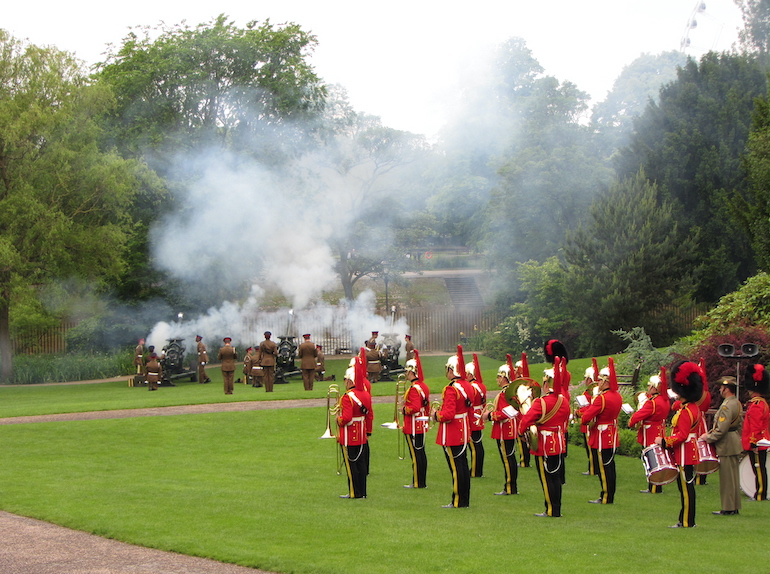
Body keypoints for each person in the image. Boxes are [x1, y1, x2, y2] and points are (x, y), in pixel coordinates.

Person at [518, 356, 571, 517]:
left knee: (546, 478)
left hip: (544, 443)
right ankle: (557, 508)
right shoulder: (564, 402)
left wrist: (521, 433)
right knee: (555, 477)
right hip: (558, 441)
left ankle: (550, 510)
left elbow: (526, 421)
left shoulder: (541, 402)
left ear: (547, 384)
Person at [655, 360, 703, 528]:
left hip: (684, 453)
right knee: (687, 488)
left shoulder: (685, 412)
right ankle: (686, 519)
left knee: (686, 490)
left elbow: (681, 436)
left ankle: (687, 521)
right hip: (690, 452)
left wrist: (664, 442)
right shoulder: (693, 408)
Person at [432, 346, 473, 508]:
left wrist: (435, 415)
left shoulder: (451, 389)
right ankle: (465, 499)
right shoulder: (467, 385)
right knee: (462, 465)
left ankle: (458, 501)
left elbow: (448, 415)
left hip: (453, 431)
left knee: (456, 468)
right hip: (464, 428)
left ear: (451, 370)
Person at [580, 359, 622, 504]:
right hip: (612, 433)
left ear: (605, 382)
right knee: (610, 466)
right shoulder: (617, 396)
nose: (597, 383)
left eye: (599, 380)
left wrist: (582, 417)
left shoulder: (601, 398)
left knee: (604, 468)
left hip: (601, 435)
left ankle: (606, 496)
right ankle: (610, 494)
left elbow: (587, 416)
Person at [700, 376, 743, 515]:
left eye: (721, 387)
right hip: (734, 441)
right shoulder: (736, 402)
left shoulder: (726, 405)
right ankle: (734, 506)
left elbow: (721, 428)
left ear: (726, 389)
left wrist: (709, 438)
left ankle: (728, 508)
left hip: (727, 444)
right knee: (734, 477)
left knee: (727, 479)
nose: (720, 389)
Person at [628, 369, 671, 493]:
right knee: (658, 458)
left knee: (652, 460)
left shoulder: (652, 403)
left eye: (649, 386)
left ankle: (653, 487)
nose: (648, 388)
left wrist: (631, 421)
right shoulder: (664, 400)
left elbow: (638, 415)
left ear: (654, 388)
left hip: (650, 431)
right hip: (660, 429)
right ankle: (658, 486)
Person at [337, 356, 373, 499]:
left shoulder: (348, 397)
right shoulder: (365, 395)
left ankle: (354, 492)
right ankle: (362, 491)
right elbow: (369, 415)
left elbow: (346, 418)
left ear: (350, 381)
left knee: (351, 466)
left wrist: (338, 420)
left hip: (349, 434)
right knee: (361, 464)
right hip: (362, 432)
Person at [485, 357, 520, 496]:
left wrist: (489, 416)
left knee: (508, 459)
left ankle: (510, 488)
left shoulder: (506, 393)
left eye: (499, 377)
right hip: (509, 428)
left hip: (506, 429)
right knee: (509, 458)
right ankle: (511, 487)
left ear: (505, 377)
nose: (497, 380)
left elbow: (505, 413)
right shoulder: (509, 391)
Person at [402, 350, 430, 489]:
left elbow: (414, 408)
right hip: (422, 423)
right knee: (421, 453)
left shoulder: (414, 389)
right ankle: (421, 481)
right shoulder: (422, 386)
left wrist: (403, 409)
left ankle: (418, 482)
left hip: (413, 424)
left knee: (416, 455)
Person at [742, 363, 770, 501]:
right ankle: (760, 492)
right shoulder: (761, 403)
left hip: (758, 443)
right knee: (759, 468)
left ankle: (760, 494)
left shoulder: (757, 405)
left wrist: (753, 443)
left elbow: (756, 427)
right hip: (761, 441)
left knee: (758, 468)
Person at [467, 353, 486, 478]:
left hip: (473, 415)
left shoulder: (472, 387)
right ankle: (477, 469)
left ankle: (475, 471)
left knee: (474, 445)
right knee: (478, 444)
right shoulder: (480, 386)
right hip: (479, 414)